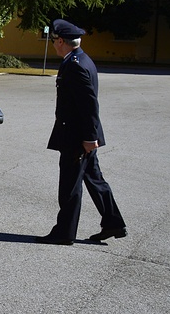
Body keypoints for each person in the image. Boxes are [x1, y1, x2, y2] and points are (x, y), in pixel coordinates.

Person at [35, 19, 127, 246]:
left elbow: (89, 106)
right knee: (95, 180)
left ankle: (64, 233)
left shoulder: (75, 64)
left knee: (70, 185)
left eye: (54, 41)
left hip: (77, 137)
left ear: (60, 41)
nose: (53, 45)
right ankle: (113, 222)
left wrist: (89, 138)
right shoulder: (80, 59)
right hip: (81, 135)